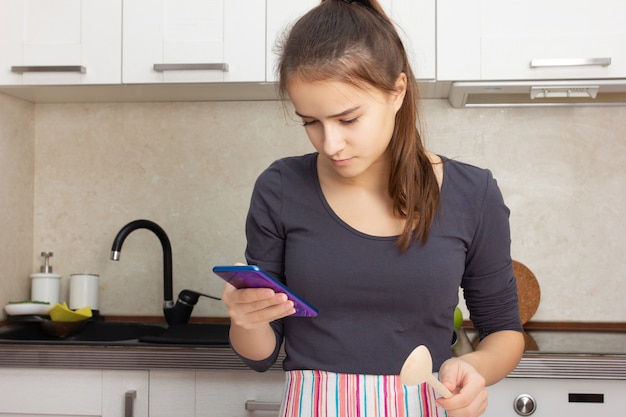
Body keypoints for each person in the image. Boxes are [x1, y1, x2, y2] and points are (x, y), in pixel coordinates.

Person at [221, 0, 525, 416]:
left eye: (348, 119)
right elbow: (259, 357)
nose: (330, 144)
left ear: (396, 91)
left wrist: (473, 367)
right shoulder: (280, 188)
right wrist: (246, 321)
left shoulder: (472, 193)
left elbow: (504, 332)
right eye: (311, 121)